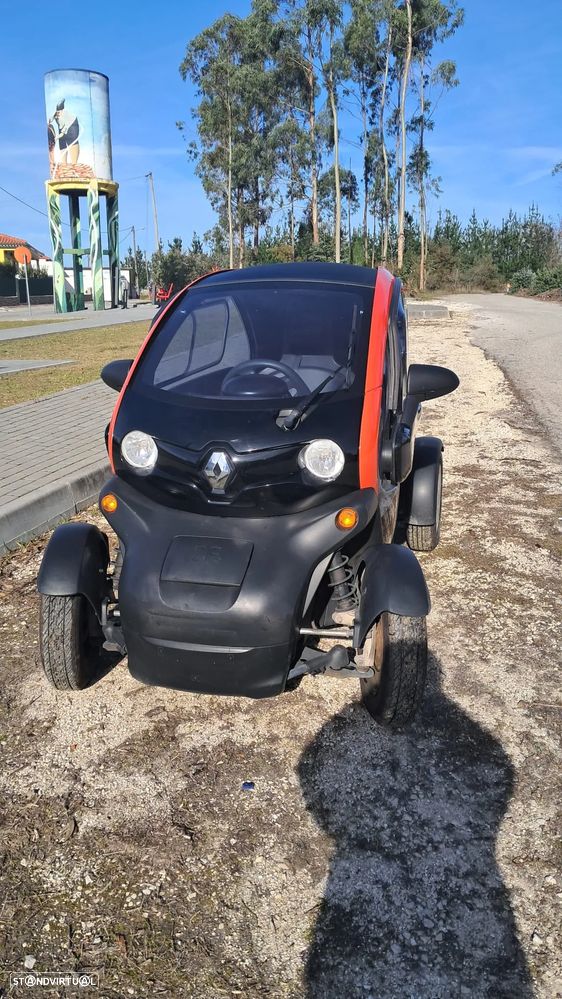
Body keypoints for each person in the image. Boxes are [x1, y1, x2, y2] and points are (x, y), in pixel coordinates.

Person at [53, 99, 80, 165]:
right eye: (57, 112)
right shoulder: (57, 115)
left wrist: (56, 138)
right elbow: (52, 117)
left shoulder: (67, 118)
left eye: (59, 112)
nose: (58, 114)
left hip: (71, 125)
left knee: (72, 141)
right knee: (62, 143)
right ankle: (64, 164)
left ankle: (74, 164)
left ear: (62, 111)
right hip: (62, 126)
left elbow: (62, 133)